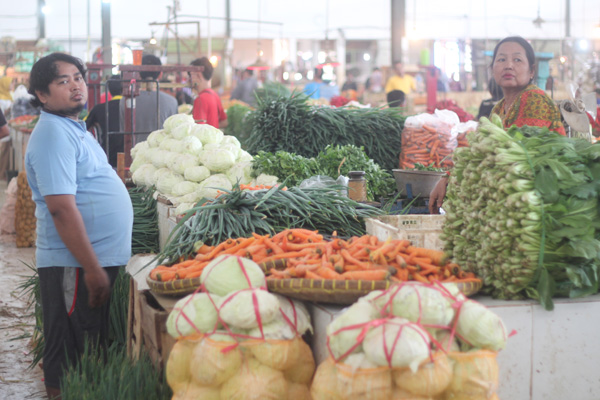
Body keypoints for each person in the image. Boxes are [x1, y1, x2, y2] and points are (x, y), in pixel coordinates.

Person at [24, 53, 133, 399]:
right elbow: (61, 209)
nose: (76, 85)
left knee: (86, 347)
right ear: (42, 94)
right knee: (68, 348)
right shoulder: (52, 136)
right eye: (63, 81)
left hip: (93, 259)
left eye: (78, 77)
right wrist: (91, 267)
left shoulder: (74, 129)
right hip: (74, 263)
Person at [429, 36, 566, 214]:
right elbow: (480, 151)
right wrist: (447, 177)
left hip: (541, 200)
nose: (509, 65)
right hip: (510, 197)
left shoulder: (534, 99)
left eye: (517, 59)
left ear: (532, 70)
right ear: (492, 69)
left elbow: (514, 160)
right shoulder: (499, 109)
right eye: (501, 59)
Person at [119, 54, 178, 142]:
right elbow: (174, 133)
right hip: (162, 153)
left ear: (138, 73)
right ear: (160, 74)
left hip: (134, 153)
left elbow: (123, 132)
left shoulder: (125, 100)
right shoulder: (172, 102)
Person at [85, 75, 123, 168]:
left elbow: (82, 127)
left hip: (108, 156)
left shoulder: (99, 109)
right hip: (133, 154)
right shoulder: (133, 108)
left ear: (108, 90)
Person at [189, 56, 228, 129]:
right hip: (213, 139)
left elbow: (197, 129)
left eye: (191, 75)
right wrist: (212, 127)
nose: (190, 79)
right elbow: (224, 122)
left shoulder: (200, 99)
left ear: (199, 75)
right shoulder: (214, 95)